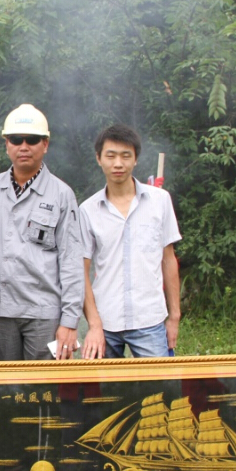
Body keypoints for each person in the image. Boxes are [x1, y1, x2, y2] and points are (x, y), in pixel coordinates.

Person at [0, 104, 84, 361]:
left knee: (42, 383)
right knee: (6, 382)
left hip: (44, 313)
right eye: (16, 139)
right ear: (7, 144)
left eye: (32, 140)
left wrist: (69, 321)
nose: (23, 146)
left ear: (45, 144)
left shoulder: (61, 194)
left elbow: (71, 260)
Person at [79, 124, 181, 359]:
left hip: (150, 319)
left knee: (160, 381)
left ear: (135, 159)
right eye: (111, 156)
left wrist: (174, 317)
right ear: (98, 158)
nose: (118, 164)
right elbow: (81, 271)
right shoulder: (87, 210)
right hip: (105, 321)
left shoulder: (160, 201)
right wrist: (94, 324)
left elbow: (168, 260)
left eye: (126, 156)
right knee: (103, 383)